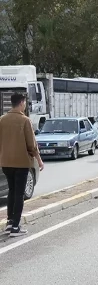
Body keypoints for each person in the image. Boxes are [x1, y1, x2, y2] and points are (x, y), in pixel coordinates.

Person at [0, 93, 44, 236]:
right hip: (21, 163)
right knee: (19, 194)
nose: (25, 105)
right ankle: (15, 227)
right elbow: (32, 144)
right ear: (21, 103)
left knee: (11, 192)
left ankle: (10, 222)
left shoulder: (2, 120)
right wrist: (39, 159)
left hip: (6, 162)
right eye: (24, 102)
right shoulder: (25, 121)